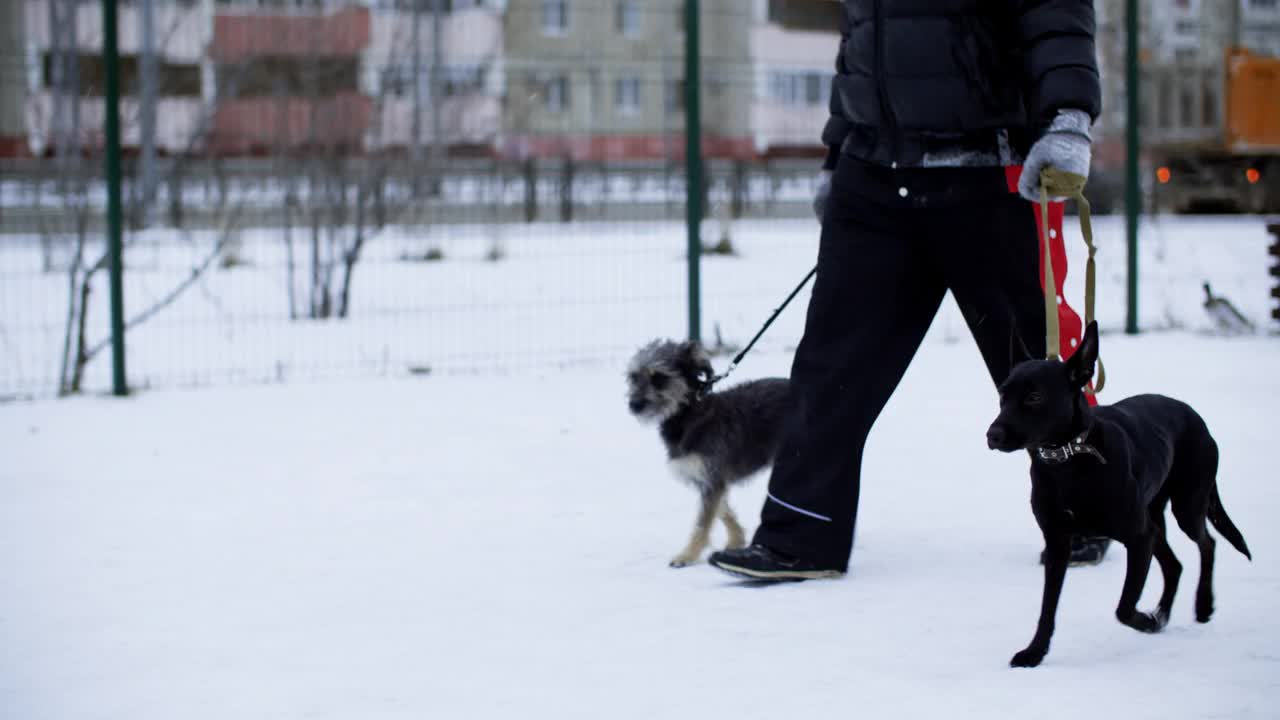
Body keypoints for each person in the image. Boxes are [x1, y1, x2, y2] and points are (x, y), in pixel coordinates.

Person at [708, 1, 1110, 582]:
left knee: (1035, 360)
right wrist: (836, 152)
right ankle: (801, 538)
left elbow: (1055, 14)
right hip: (872, 173)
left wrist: (1068, 118)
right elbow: (861, 48)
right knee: (830, 363)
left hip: (990, 171)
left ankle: (1086, 510)